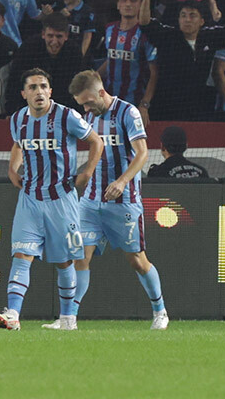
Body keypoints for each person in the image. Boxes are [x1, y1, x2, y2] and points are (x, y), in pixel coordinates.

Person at [0, 67, 103, 331]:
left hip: (61, 199)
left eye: (43, 86)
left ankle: (67, 319)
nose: (39, 91)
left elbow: (96, 141)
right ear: (24, 93)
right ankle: (13, 315)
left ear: (50, 91)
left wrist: (87, 171)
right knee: (21, 254)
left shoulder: (67, 116)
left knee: (64, 261)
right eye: (33, 87)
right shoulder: (17, 119)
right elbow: (19, 144)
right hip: (29, 198)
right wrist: (12, 168)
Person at [61, 70, 167, 331]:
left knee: (137, 260)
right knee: (80, 258)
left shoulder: (128, 113)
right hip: (90, 202)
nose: (86, 108)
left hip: (124, 202)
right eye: (81, 104)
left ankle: (160, 311)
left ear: (100, 92)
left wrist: (122, 182)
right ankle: (69, 319)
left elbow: (142, 153)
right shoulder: (87, 118)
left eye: (88, 102)